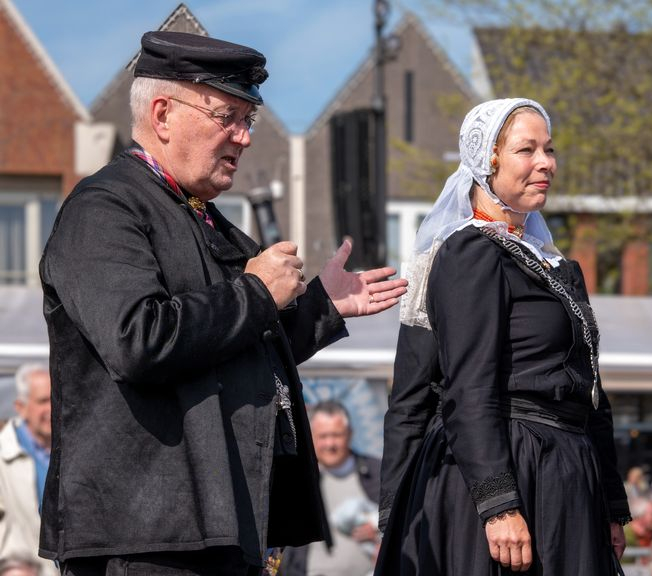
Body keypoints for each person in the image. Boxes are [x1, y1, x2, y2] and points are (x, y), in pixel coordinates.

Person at [38, 31, 406, 575]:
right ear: (162, 114)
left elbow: (234, 350)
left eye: (248, 119)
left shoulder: (201, 216)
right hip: (147, 539)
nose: (245, 137)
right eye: (227, 116)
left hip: (215, 529)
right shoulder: (105, 208)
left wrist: (322, 308)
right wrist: (256, 293)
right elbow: (138, 341)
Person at [375, 98, 631, 575]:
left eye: (550, 150)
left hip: (567, 471)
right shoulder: (472, 253)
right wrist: (499, 503)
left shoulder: (553, 264)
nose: (546, 163)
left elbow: (590, 389)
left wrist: (612, 505)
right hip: (513, 467)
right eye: (526, 150)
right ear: (487, 161)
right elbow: (467, 387)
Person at [282, 400, 382, 576]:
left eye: (337, 435)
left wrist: (379, 530)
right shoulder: (298, 480)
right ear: (311, 436)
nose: (330, 444)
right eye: (323, 436)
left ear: (350, 434)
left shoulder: (377, 473)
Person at [0, 364, 57, 576]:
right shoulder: (4, 454)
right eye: (42, 401)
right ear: (20, 407)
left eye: (54, 398)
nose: (51, 408)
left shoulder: (73, 452)